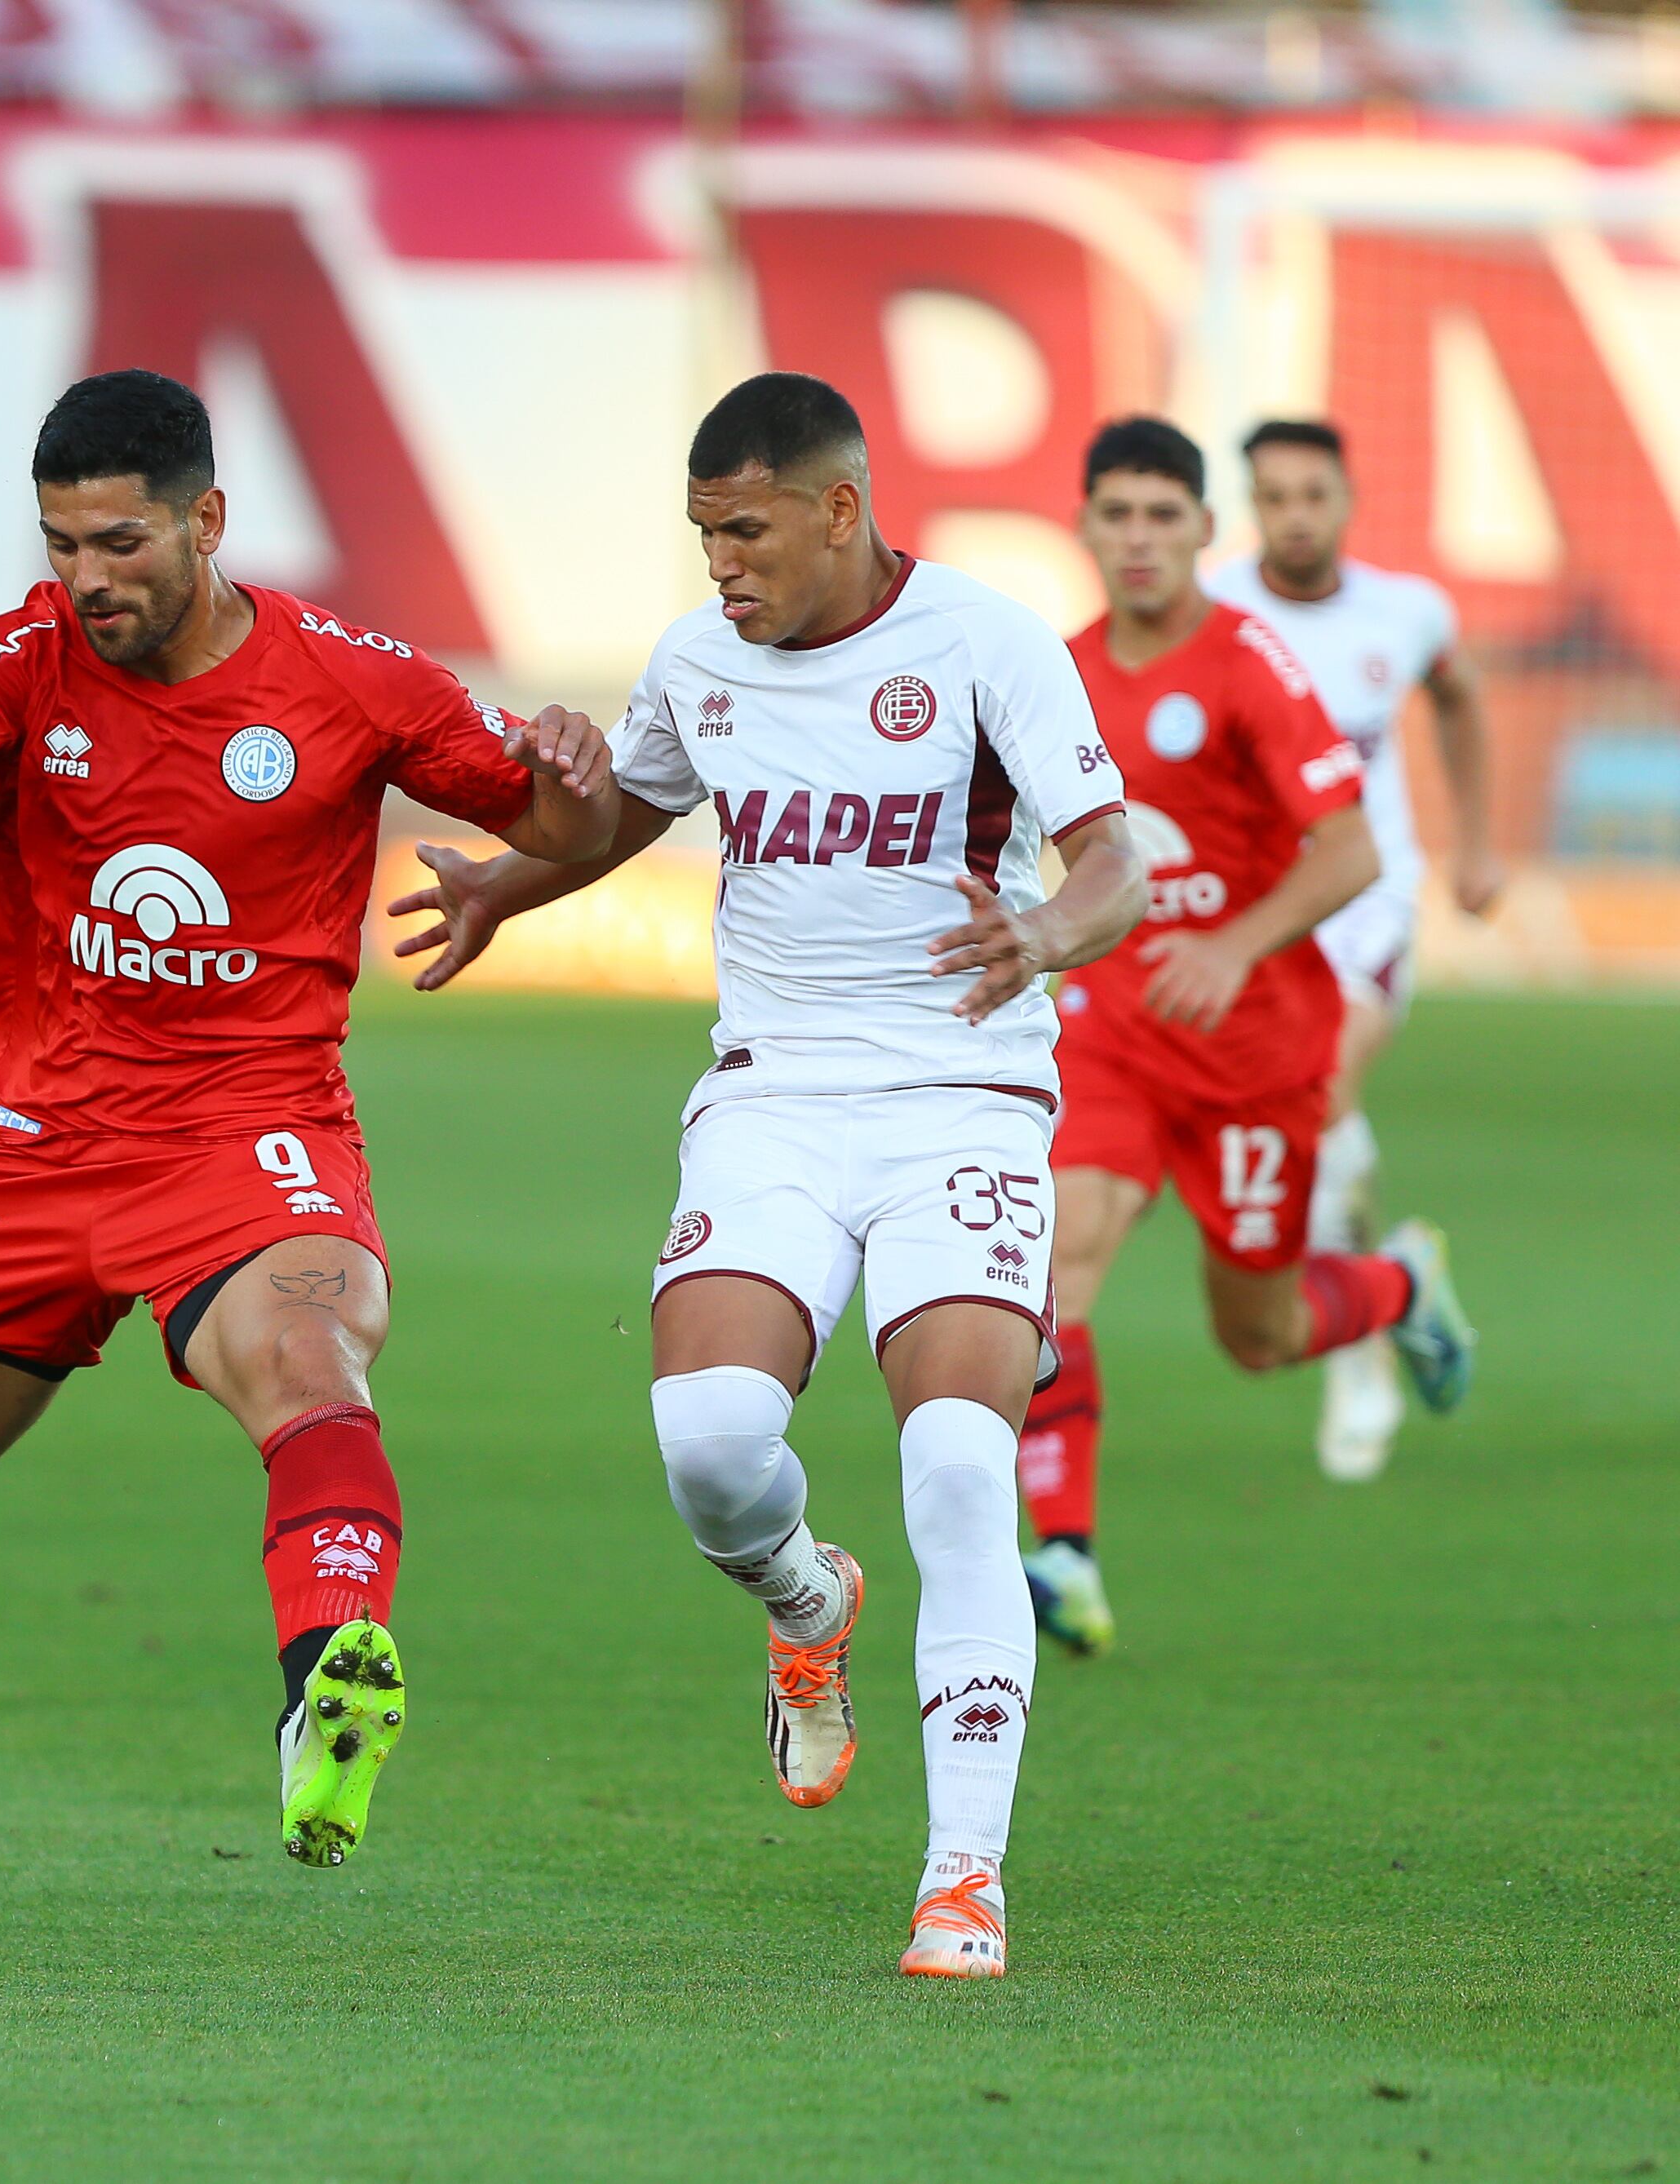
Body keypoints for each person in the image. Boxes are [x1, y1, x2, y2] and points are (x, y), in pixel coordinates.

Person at [0, 369, 613, 1871]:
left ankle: (323, 1691)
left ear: (207, 519)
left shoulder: (356, 676)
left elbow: (554, 823)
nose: (87, 579)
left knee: (306, 1360)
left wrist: (571, 799)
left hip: (248, 1134)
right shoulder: (16, 661)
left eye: (120, 543)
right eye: (63, 544)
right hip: (31, 1144)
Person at [390, 374, 1146, 1979]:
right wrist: (507, 892)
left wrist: (1044, 935)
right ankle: (807, 1606)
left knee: (956, 1466)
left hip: (967, 1098)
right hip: (774, 1102)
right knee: (713, 1444)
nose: (719, 567)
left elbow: (1115, 862)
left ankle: (962, 1877)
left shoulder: (985, 642)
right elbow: (630, 814)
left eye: (742, 532)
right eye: (701, 538)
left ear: (838, 510)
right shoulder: (698, 663)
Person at [1013, 417, 1478, 1656]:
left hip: (1257, 1046)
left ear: (1205, 534)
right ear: (1086, 527)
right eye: (1118, 514)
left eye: (1166, 516)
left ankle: (1400, 1286)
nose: (1141, 539)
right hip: (1111, 1027)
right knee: (1055, 1264)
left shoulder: (1250, 664)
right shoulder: (1051, 671)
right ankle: (1063, 1550)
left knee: (1257, 1337)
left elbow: (1354, 849)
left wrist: (1234, 944)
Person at [1208, 419, 1503, 1482]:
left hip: (1367, 902)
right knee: (1305, 1131)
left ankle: (1360, 1365)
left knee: (1319, 1093)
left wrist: (1474, 843)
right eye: (1274, 495)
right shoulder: (1219, 613)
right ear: (1251, 505)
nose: (1295, 514)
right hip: (1254, 913)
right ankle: (1397, 1278)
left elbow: (1461, 698)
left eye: (1312, 493)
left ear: (1348, 497)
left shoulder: (1408, 611)